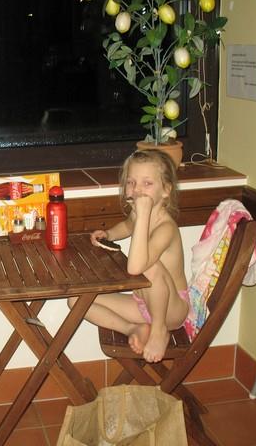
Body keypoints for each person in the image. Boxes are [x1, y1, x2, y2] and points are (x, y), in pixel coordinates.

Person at [70, 150, 189, 363]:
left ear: (166, 190)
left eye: (147, 183)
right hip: (143, 304)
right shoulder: (136, 215)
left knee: (149, 266)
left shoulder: (166, 228)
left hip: (171, 310)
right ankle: (132, 328)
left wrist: (142, 215)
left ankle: (159, 331)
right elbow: (127, 226)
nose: (137, 190)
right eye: (131, 183)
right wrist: (109, 234)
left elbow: (136, 267)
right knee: (76, 301)